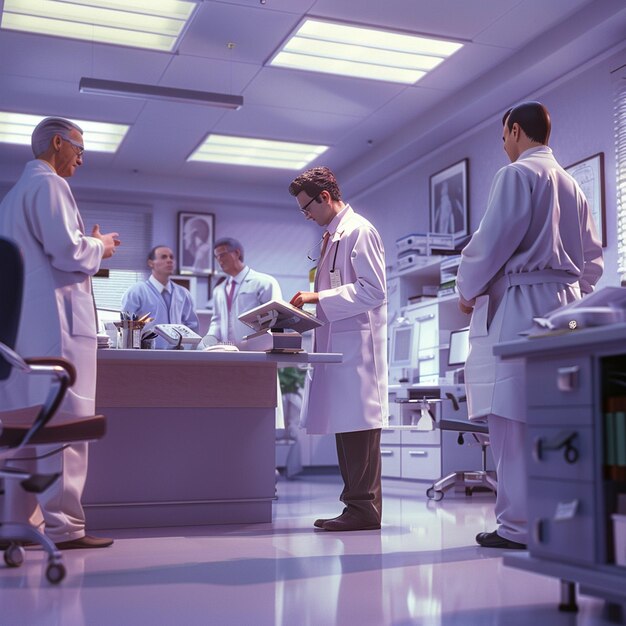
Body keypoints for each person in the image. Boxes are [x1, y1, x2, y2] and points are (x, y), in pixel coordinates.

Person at [456, 101, 603, 550]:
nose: (503, 146)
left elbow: (491, 242)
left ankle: (517, 527)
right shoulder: (572, 185)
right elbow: (592, 264)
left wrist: (467, 289)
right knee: (557, 419)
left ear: (516, 131)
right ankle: (559, 519)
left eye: (503, 136)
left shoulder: (517, 175)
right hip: (567, 309)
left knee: (512, 421)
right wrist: (567, 287)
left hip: (522, 307)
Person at [0, 117, 120, 549]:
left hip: (22, 336)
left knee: (31, 432)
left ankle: (22, 524)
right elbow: (67, 250)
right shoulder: (50, 185)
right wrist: (101, 247)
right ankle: (65, 529)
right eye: (79, 150)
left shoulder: (12, 197)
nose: (82, 160)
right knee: (66, 430)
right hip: (57, 331)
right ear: (58, 143)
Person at [288, 166, 387, 532]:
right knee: (346, 427)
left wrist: (318, 296)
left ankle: (363, 509)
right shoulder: (334, 236)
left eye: (307, 207)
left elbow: (374, 291)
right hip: (341, 347)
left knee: (358, 428)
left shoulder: (359, 231)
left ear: (325, 197)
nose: (306, 215)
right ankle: (355, 507)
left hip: (359, 350)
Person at [198, 237, 282, 348]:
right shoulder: (219, 290)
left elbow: (276, 323)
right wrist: (206, 342)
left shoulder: (265, 283)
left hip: (259, 353)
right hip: (227, 353)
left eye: (222, 254)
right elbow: (217, 322)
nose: (219, 260)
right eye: (216, 257)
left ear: (237, 253)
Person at [121, 245, 199, 349]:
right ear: (151, 263)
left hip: (179, 357)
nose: (169, 260)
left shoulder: (183, 294)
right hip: (147, 355)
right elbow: (126, 328)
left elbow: (193, 327)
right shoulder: (136, 292)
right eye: (164, 257)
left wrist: (187, 351)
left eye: (171, 257)